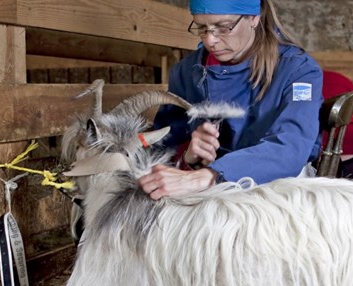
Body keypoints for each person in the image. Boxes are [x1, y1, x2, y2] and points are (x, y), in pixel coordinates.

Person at [137, 0, 323, 200]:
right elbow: (162, 145)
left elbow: (291, 147)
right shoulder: (186, 71)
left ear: (254, 17)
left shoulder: (298, 70)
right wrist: (188, 157)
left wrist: (209, 176)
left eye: (224, 28)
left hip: (280, 185)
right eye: (201, 27)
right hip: (204, 187)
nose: (210, 41)